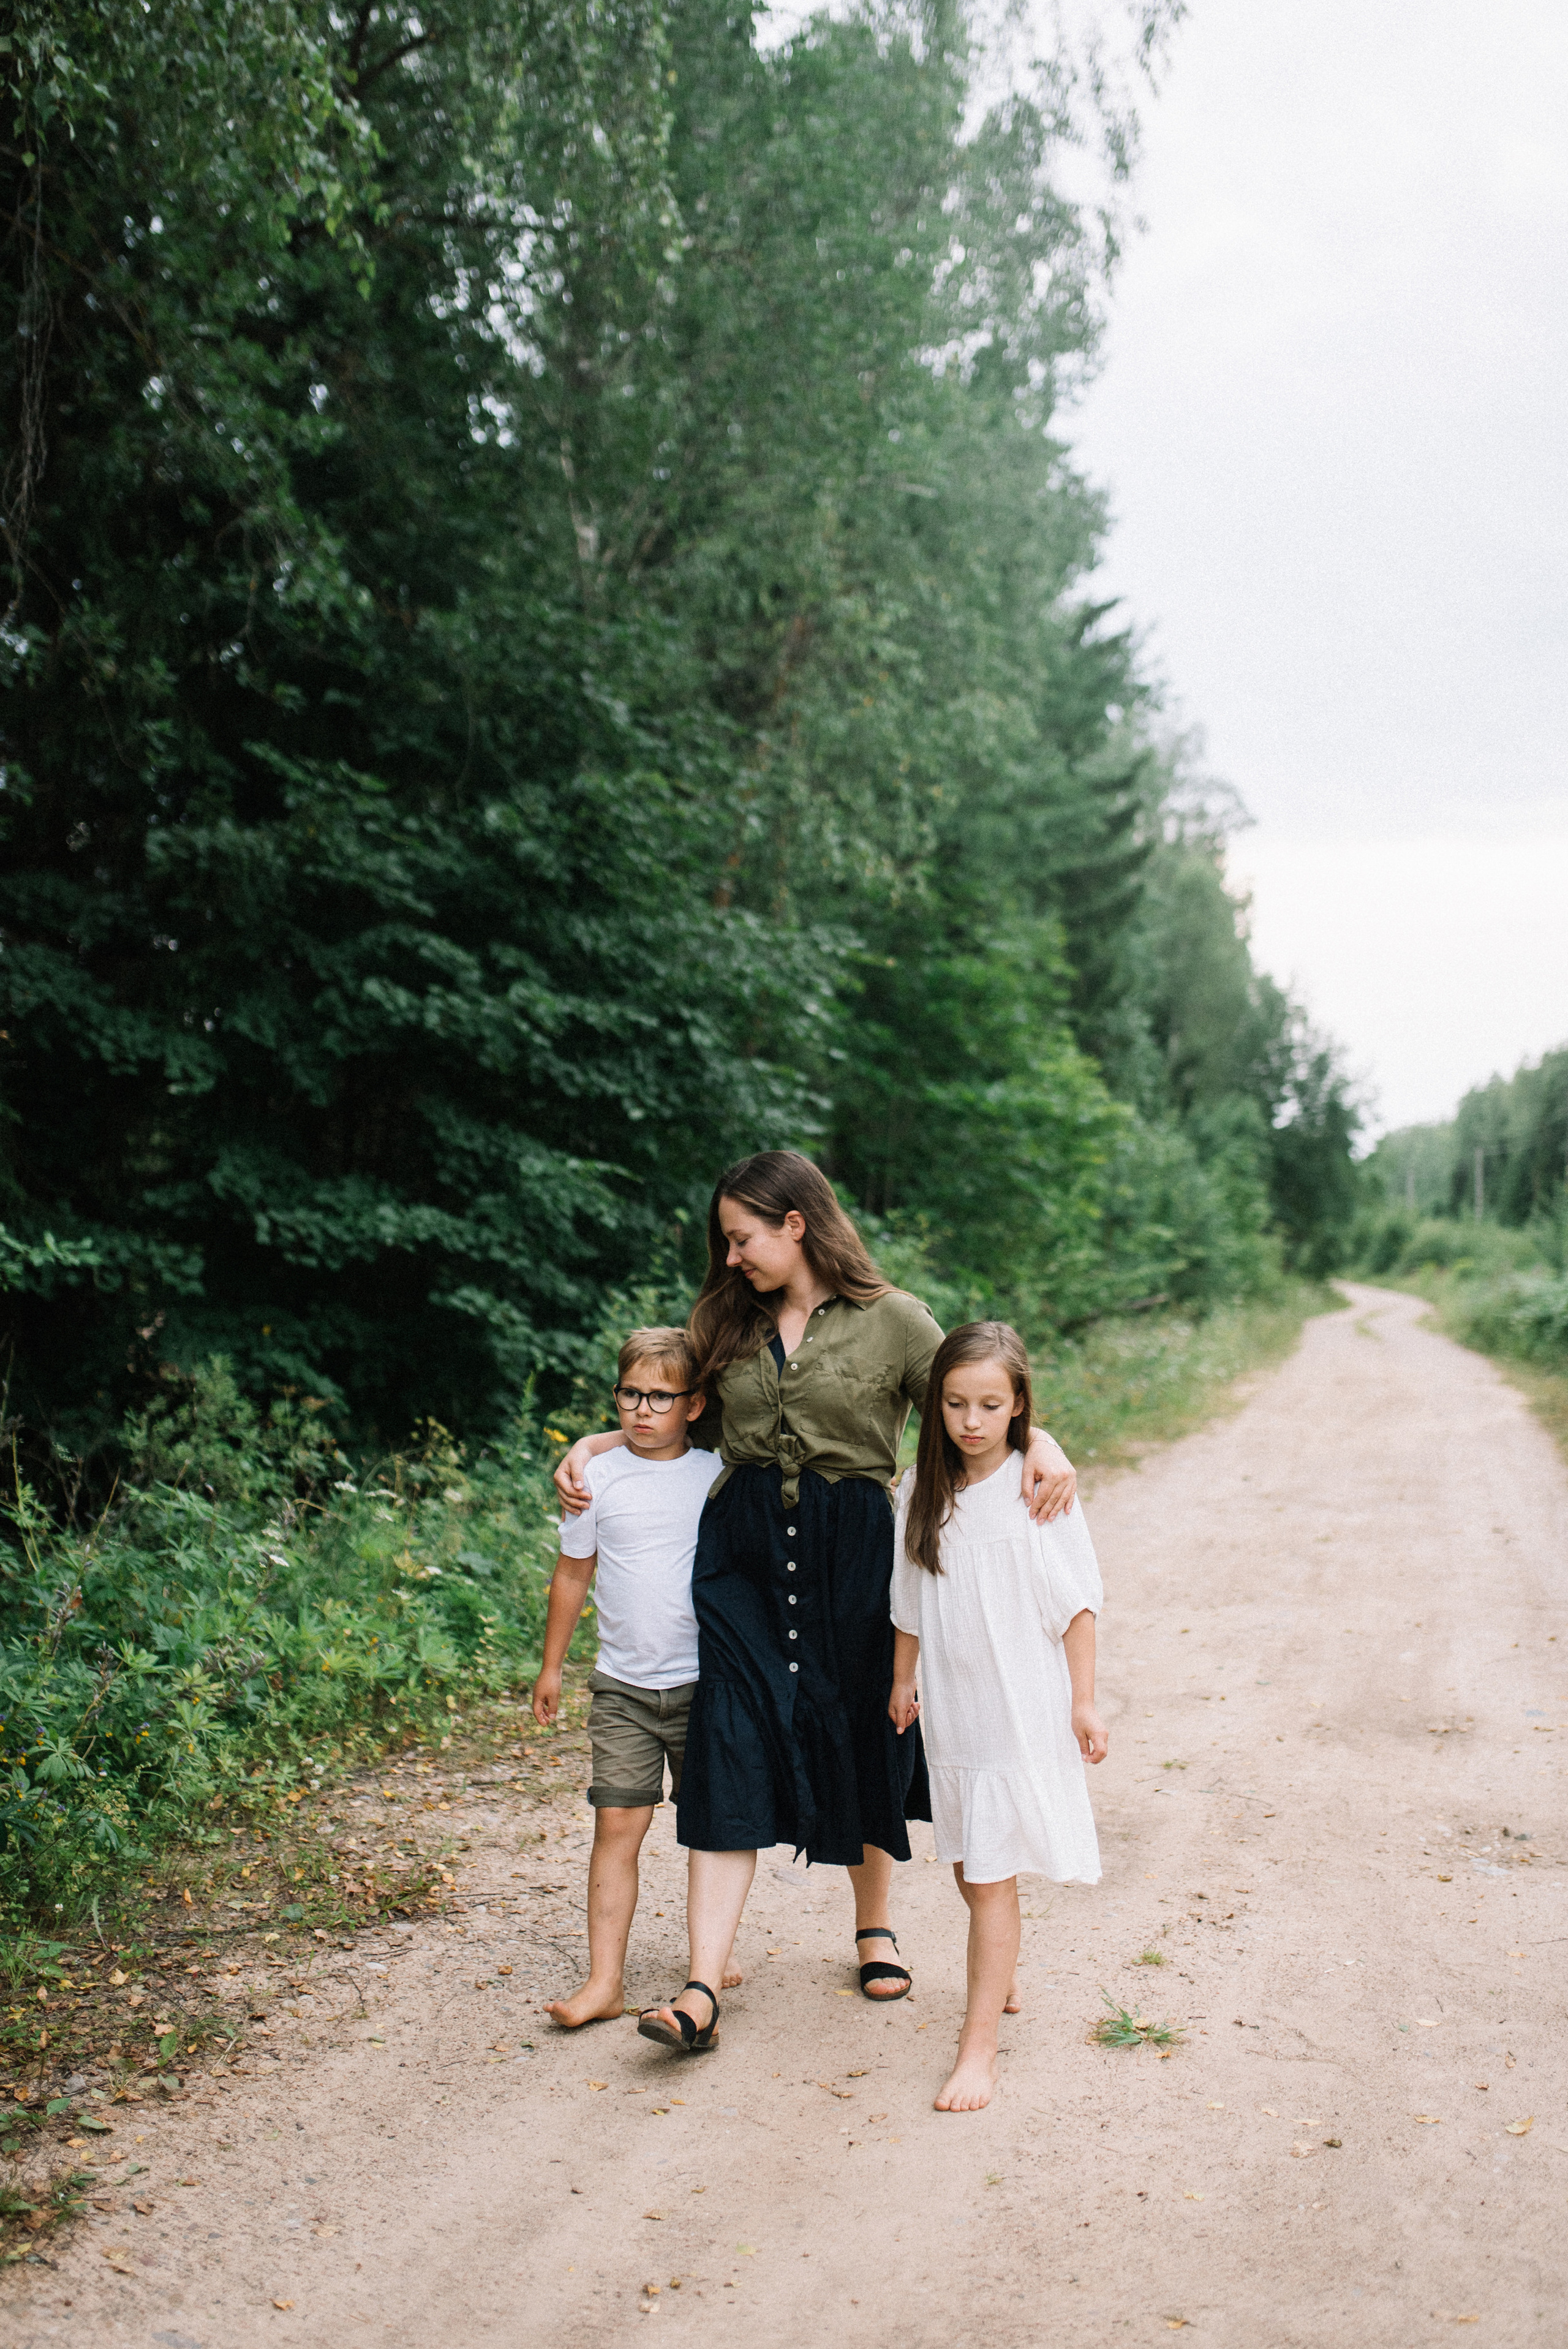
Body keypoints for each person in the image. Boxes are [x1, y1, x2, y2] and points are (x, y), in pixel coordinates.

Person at [554, 1151, 1078, 2057]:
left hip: (853, 1551)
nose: (729, 1257)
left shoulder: (897, 1321)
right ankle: (700, 1987)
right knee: (731, 1737)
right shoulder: (721, 1318)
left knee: (860, 1727)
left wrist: (1044, 1443)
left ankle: (874, 1927)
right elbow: (681, 1412)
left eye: (742, 1236)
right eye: (726, 1240)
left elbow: (974, 1400)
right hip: (742, 1554)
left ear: (796, 1223)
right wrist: (601, 1439)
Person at [888, 1320, 1107, 2112]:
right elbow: (908, 1599)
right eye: (955, 1403)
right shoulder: (922, 1493)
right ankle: (1002, 1967)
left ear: (1019, 1407)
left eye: (989, 1404)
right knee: (966, 1861)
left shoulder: (1036, 1489)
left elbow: (1076, 1604)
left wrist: (1084, 1700)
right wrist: (903, 1678)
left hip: (1022, 1706)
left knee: (988, 1874)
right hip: (956, 1710)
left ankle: (977, 2048)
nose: (971, 1420)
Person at [531, 1326, 717, 2029]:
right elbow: (574, 1572)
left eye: (660, 1397)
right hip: (623, 1687)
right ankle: (604, 1980)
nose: (642, 1409)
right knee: (617, 1822)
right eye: (629, 1394)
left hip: (706, 1683)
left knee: (709, 1827)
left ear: (694, 1404)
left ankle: (708, 1959)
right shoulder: (593, 1480)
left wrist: (586, 1440)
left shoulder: (714, 1472)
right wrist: (552, 1666)